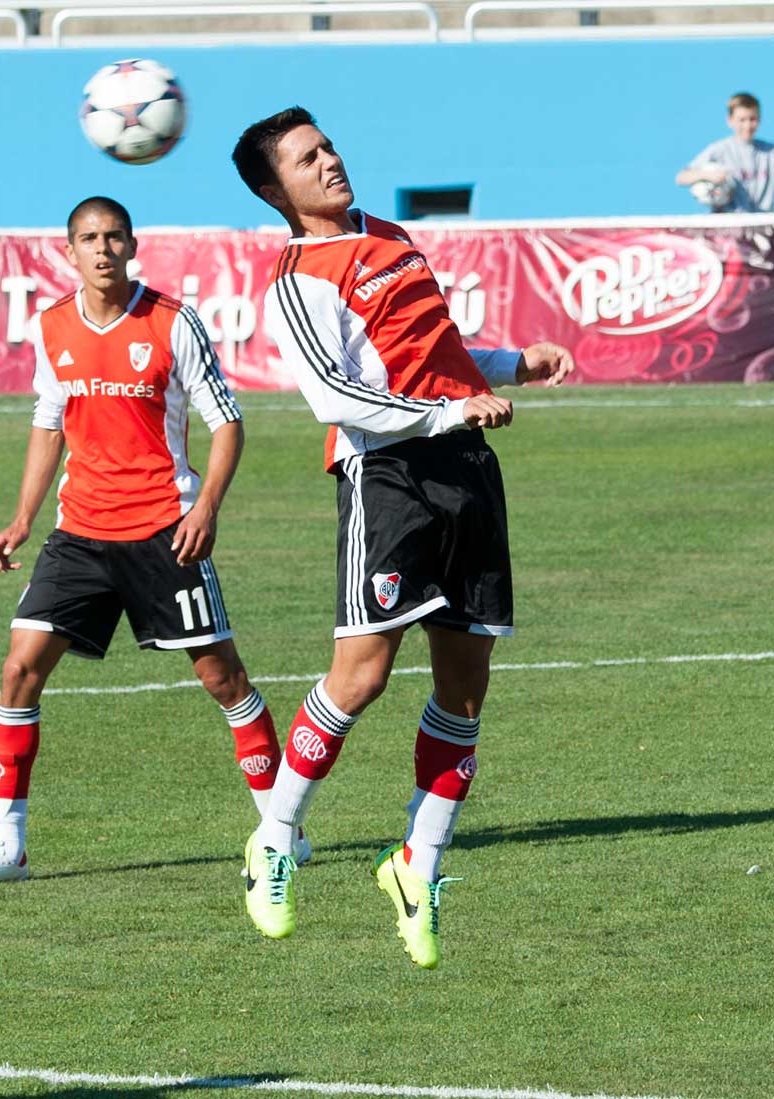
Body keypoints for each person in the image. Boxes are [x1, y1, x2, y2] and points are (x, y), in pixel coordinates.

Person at [229, 106, 573, 968]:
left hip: (467, 469)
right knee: (362, 674)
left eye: (328, 146)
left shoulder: (390, 235)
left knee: (466, 686)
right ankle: (274, 837)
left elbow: (433, 350)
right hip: (388, 478)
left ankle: (419, 865)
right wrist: (449, 411)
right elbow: (335, 398)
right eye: (306, 159)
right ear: (275, 191)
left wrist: (509, 364)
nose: (330, 162)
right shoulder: (298, 279)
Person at [0, 196, 306, 889]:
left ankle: (281, 830)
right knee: (19, 671)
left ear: (133, 246)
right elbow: (49, 421)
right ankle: (8, 846)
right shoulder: (52, 325)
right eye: (89, 238)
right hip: (79, 533)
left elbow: (227, 423)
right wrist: (22, 519)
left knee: (222, 679)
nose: (103, 249)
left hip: (165, 532)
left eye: (114, 237)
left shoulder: (172, 321)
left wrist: (206, 508)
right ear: (69, 251)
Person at [674, 92, 774, 213]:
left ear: (759, 120)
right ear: (730, 121)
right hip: (728, 229)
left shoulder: (770, 152)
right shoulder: (719, 150)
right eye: (742, 120)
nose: (747, 125)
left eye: (752, 119)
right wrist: (707, 176)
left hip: (762, 229)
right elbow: (681, 177)